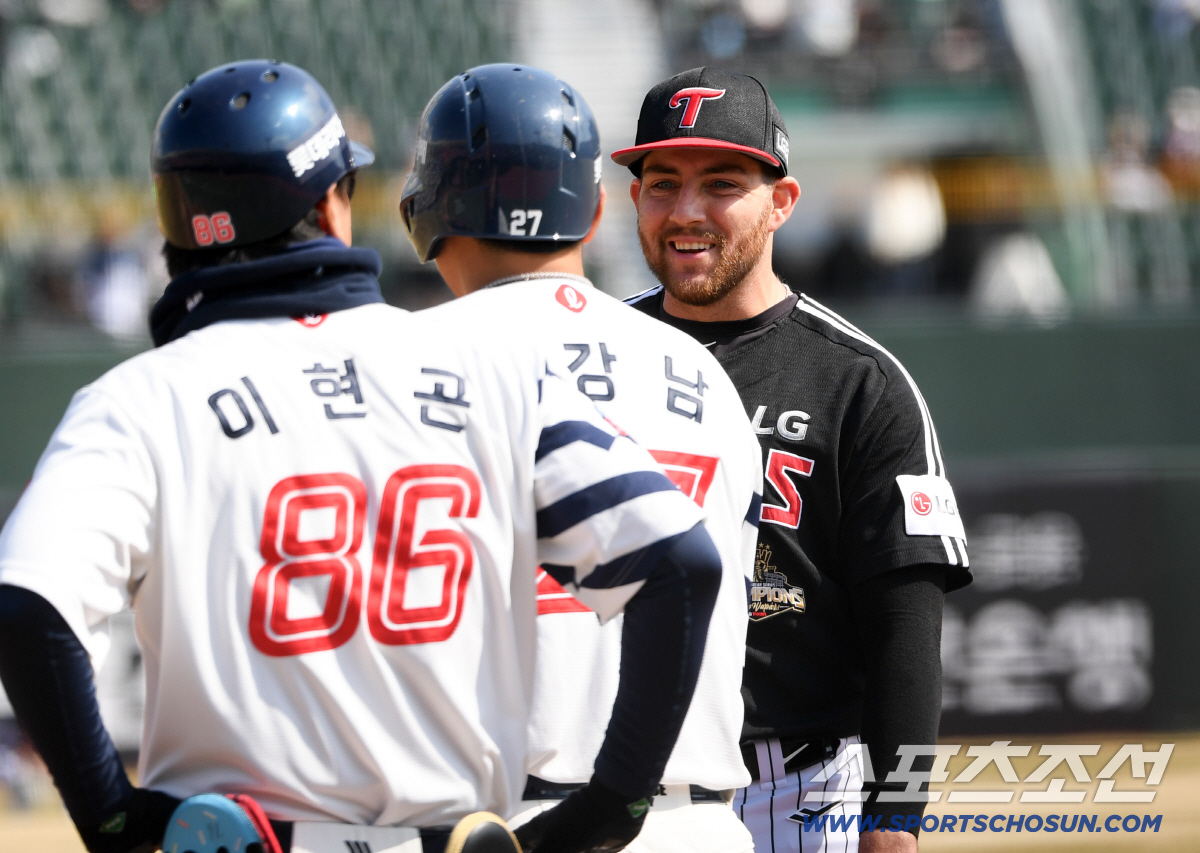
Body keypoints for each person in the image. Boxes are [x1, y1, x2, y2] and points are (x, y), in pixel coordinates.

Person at [0, 60, 724, 853]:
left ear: (176, 217)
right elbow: (678, 561)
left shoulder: (137, 399)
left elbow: (27, 601)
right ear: (330, 205)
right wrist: (611, 804)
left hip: (240, 837)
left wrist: (112, 819)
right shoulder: (489, 372)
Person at [399, 63, 763, 853]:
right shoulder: (700, 371)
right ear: (595, 209)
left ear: (425, 209)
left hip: (503, 826)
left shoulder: (406, 364)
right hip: (699, 822)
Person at [614, 67, 974, 853]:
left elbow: (906, 630)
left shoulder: (859, 382)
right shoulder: (591, 358)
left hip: (796, 792)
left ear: (782, 202)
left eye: (722, 184)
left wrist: (896, 819)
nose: (686, 210)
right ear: (634, 198)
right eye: (663, 183)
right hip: (607, 787)